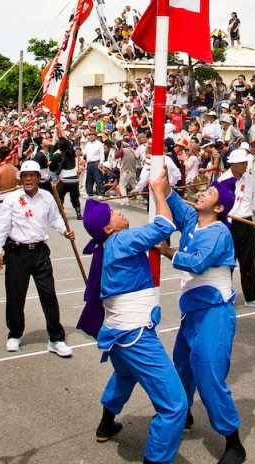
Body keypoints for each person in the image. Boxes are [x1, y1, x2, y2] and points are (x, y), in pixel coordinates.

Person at [77, 170, 187, 464]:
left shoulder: (113, 245)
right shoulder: (122, 241)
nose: (118, 210)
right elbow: (165, 224)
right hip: (134, 334)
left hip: (118, 333)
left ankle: (105, 423)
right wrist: (160, 192)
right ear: (109, 229)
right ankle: (157, 459)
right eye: (113, 213)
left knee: (125, 375)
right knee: (175, 404)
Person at [156, 175, 247, 464]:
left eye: (208, 194)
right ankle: (183, 414)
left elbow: (196, 263)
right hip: (192, 312)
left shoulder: (219, 232)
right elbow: (172, 199)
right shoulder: (193, 220)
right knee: (182, 366)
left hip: (215, 312)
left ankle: (233, 441)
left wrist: (168, 251)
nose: (200, 195)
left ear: (219, 208)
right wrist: (162, 179)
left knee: (208, 374)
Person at [0, 160, 74, 356]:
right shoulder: (11, 198)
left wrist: (65, 231)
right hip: (17, 252)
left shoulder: (47, 197)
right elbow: (2, 226)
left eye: (33, 175)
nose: (29, 179)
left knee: (49, 295)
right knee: (15, 295)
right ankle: (14, 334)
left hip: (40, 252)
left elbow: (55, 219)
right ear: (20, 179)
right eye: (25, 176)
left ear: (39, 178)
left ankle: (56, 338)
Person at [220, 149, 255, 308]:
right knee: (227, 262)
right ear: (233, 164)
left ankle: (251, 296)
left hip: (247, 222)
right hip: (229, 224)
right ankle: (225, 295)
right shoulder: (223, 180)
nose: (244, 165)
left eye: (245, 162)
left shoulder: (250, 179)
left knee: (248, 261)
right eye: (241, 163)